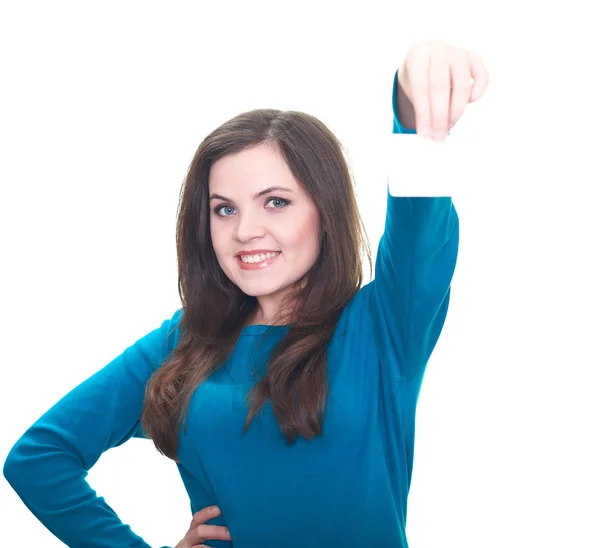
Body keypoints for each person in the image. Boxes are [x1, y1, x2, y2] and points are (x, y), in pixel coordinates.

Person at [3, 41, 489, 547]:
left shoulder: (380, 326)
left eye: (275, 202)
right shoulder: (183, 341)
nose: (245, 231)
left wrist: (412, 110)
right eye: (225, 209)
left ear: (325, 213)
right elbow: (40, 457)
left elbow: (419, 223)